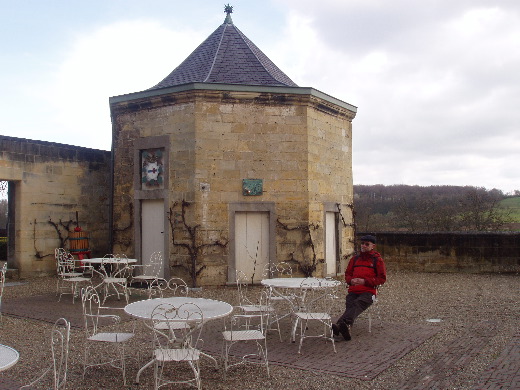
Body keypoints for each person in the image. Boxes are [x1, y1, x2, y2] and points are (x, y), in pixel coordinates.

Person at [332, 234, 387, 341]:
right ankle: (346, 328)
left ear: (373, 246)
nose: (364, 246)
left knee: (358, 303)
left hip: (369, 291)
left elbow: (382, 279)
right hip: (354, 290)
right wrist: (350, 280)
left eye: (367, 244)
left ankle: (340, 325)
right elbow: (348, 274)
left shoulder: (377, 260)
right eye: (362, 243)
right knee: (350, 302)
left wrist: (365, 281)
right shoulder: (355, 259)